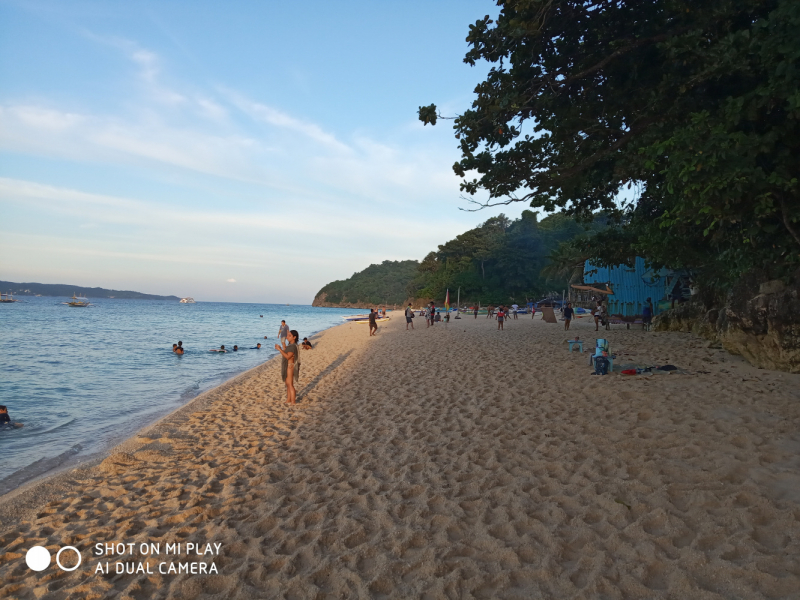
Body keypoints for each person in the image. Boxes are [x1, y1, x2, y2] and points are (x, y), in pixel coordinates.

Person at [275, 330, 300, 405]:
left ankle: (293, 401)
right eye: (287, 335)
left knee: (290, 384)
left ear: (294, 337)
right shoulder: (292, 345)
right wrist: (283, 347)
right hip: (289, 366)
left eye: (289, 335)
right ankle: (288, 399)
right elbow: (287, 353)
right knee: (287, 384)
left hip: (290, 366)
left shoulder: (292, 346)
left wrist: (279, 349)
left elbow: (288, 357)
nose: (287, 337)